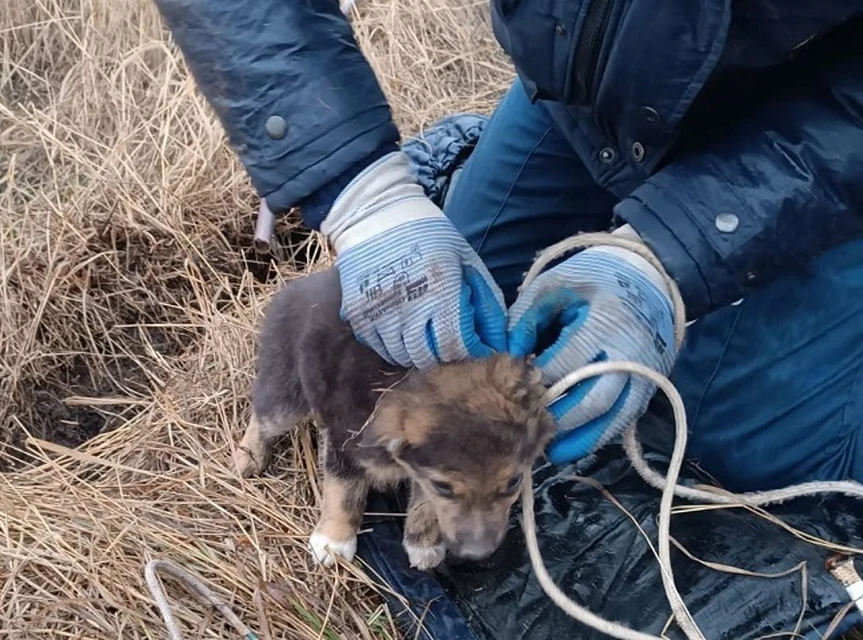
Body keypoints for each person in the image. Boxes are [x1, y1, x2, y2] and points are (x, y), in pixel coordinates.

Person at [149, 0, 863, 492]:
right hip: (597, 95)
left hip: (827, 119)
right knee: (443, 349)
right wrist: (358, 193)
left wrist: (673, 250)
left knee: (738, 435)